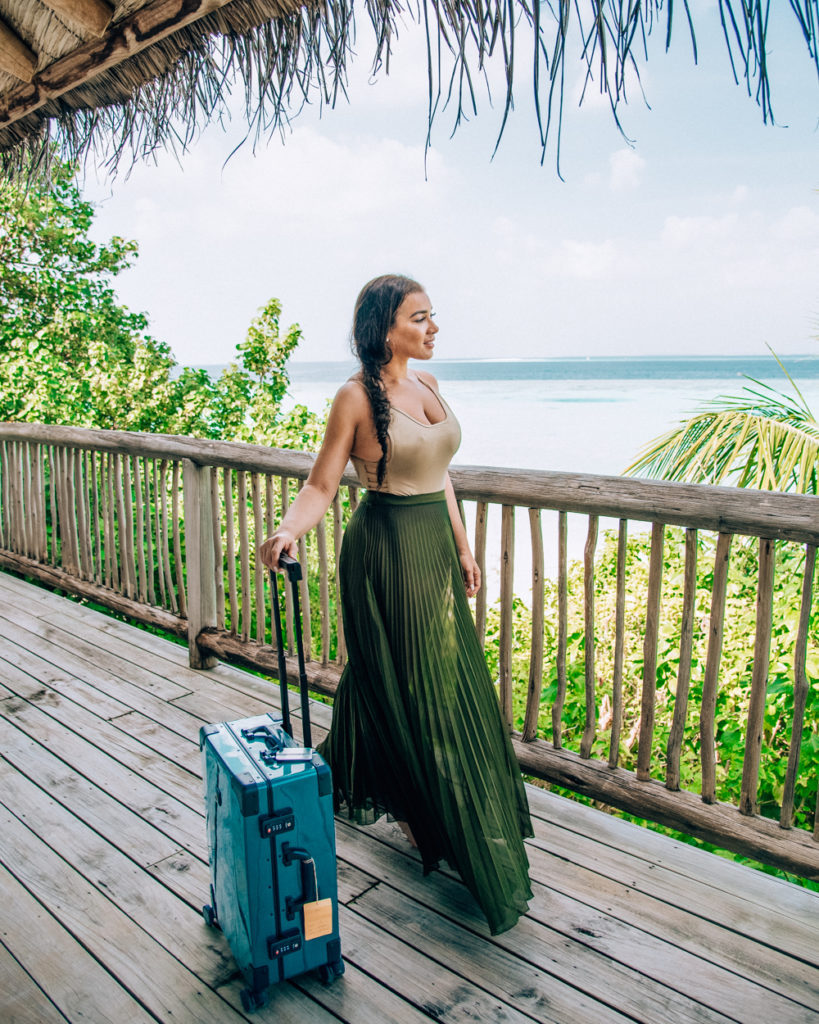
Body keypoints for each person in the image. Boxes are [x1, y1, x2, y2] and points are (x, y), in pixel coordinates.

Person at [259, 274, 533, 935]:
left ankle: (381, 780)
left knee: (420, 678)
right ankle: (434, 817)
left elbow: (440, 478)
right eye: (420, 317)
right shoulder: (353, 398)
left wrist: (463, 548)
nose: (433, 327)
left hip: (434, 549)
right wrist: (289, 531)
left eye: (432, 316)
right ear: (386, 327)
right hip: (384, 552)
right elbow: (323, 483)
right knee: (417, 685)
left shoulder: (429, 386)